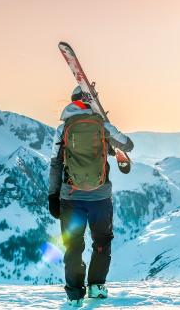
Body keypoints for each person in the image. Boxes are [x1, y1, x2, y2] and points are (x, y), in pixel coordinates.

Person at [47, 85, 134, 307]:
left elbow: (56, 164)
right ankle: (96, 287)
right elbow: (128, 145)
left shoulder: (63, 129)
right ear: (91, 102)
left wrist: (53, 196)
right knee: (102, 241)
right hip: (100, 198)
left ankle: (75, 294)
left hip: (70, 197)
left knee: (74, 245)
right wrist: (107, 129)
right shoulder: (102, 125)